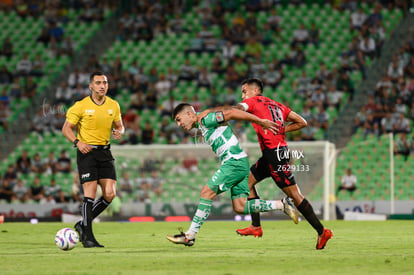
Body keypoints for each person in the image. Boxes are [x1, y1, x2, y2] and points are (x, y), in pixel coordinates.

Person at [204, 78, 333, 250]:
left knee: (295, 195)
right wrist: (282, 129)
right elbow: (302, 122)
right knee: (246, 182)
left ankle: (322, 231)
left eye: (244, 91)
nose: (243, 95)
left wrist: (217, 115)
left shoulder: (252, 101)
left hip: (275, 155)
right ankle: (256, 227)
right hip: (272, 154)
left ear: (255, 91)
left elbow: (236, 110)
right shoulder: (278, 106)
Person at [166, 103, 299, 247]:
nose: (179, 124)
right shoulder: (202, 122)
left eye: (179, 120)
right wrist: (209, 110)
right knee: (240, 206)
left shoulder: (206, 120)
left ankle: (190, 235)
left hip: (233, 162)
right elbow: (223, 114)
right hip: (240, 162)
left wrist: (260, 121)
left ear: (189, 114)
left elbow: (231, 113)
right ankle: (281, 204)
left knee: (206, 193)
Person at [62, 71, 124, 248]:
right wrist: (77, 142)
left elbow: (121, 126)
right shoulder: (80, 106)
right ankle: (88, 237)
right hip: (87, 152)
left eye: (104, 82)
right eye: (98, 83)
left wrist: (120, 132)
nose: (102, 85)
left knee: (110, 194)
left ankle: (82, 225)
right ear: (91, 86)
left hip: (105, 152)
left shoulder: (114, 105)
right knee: (88, 195)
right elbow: (66, 128)